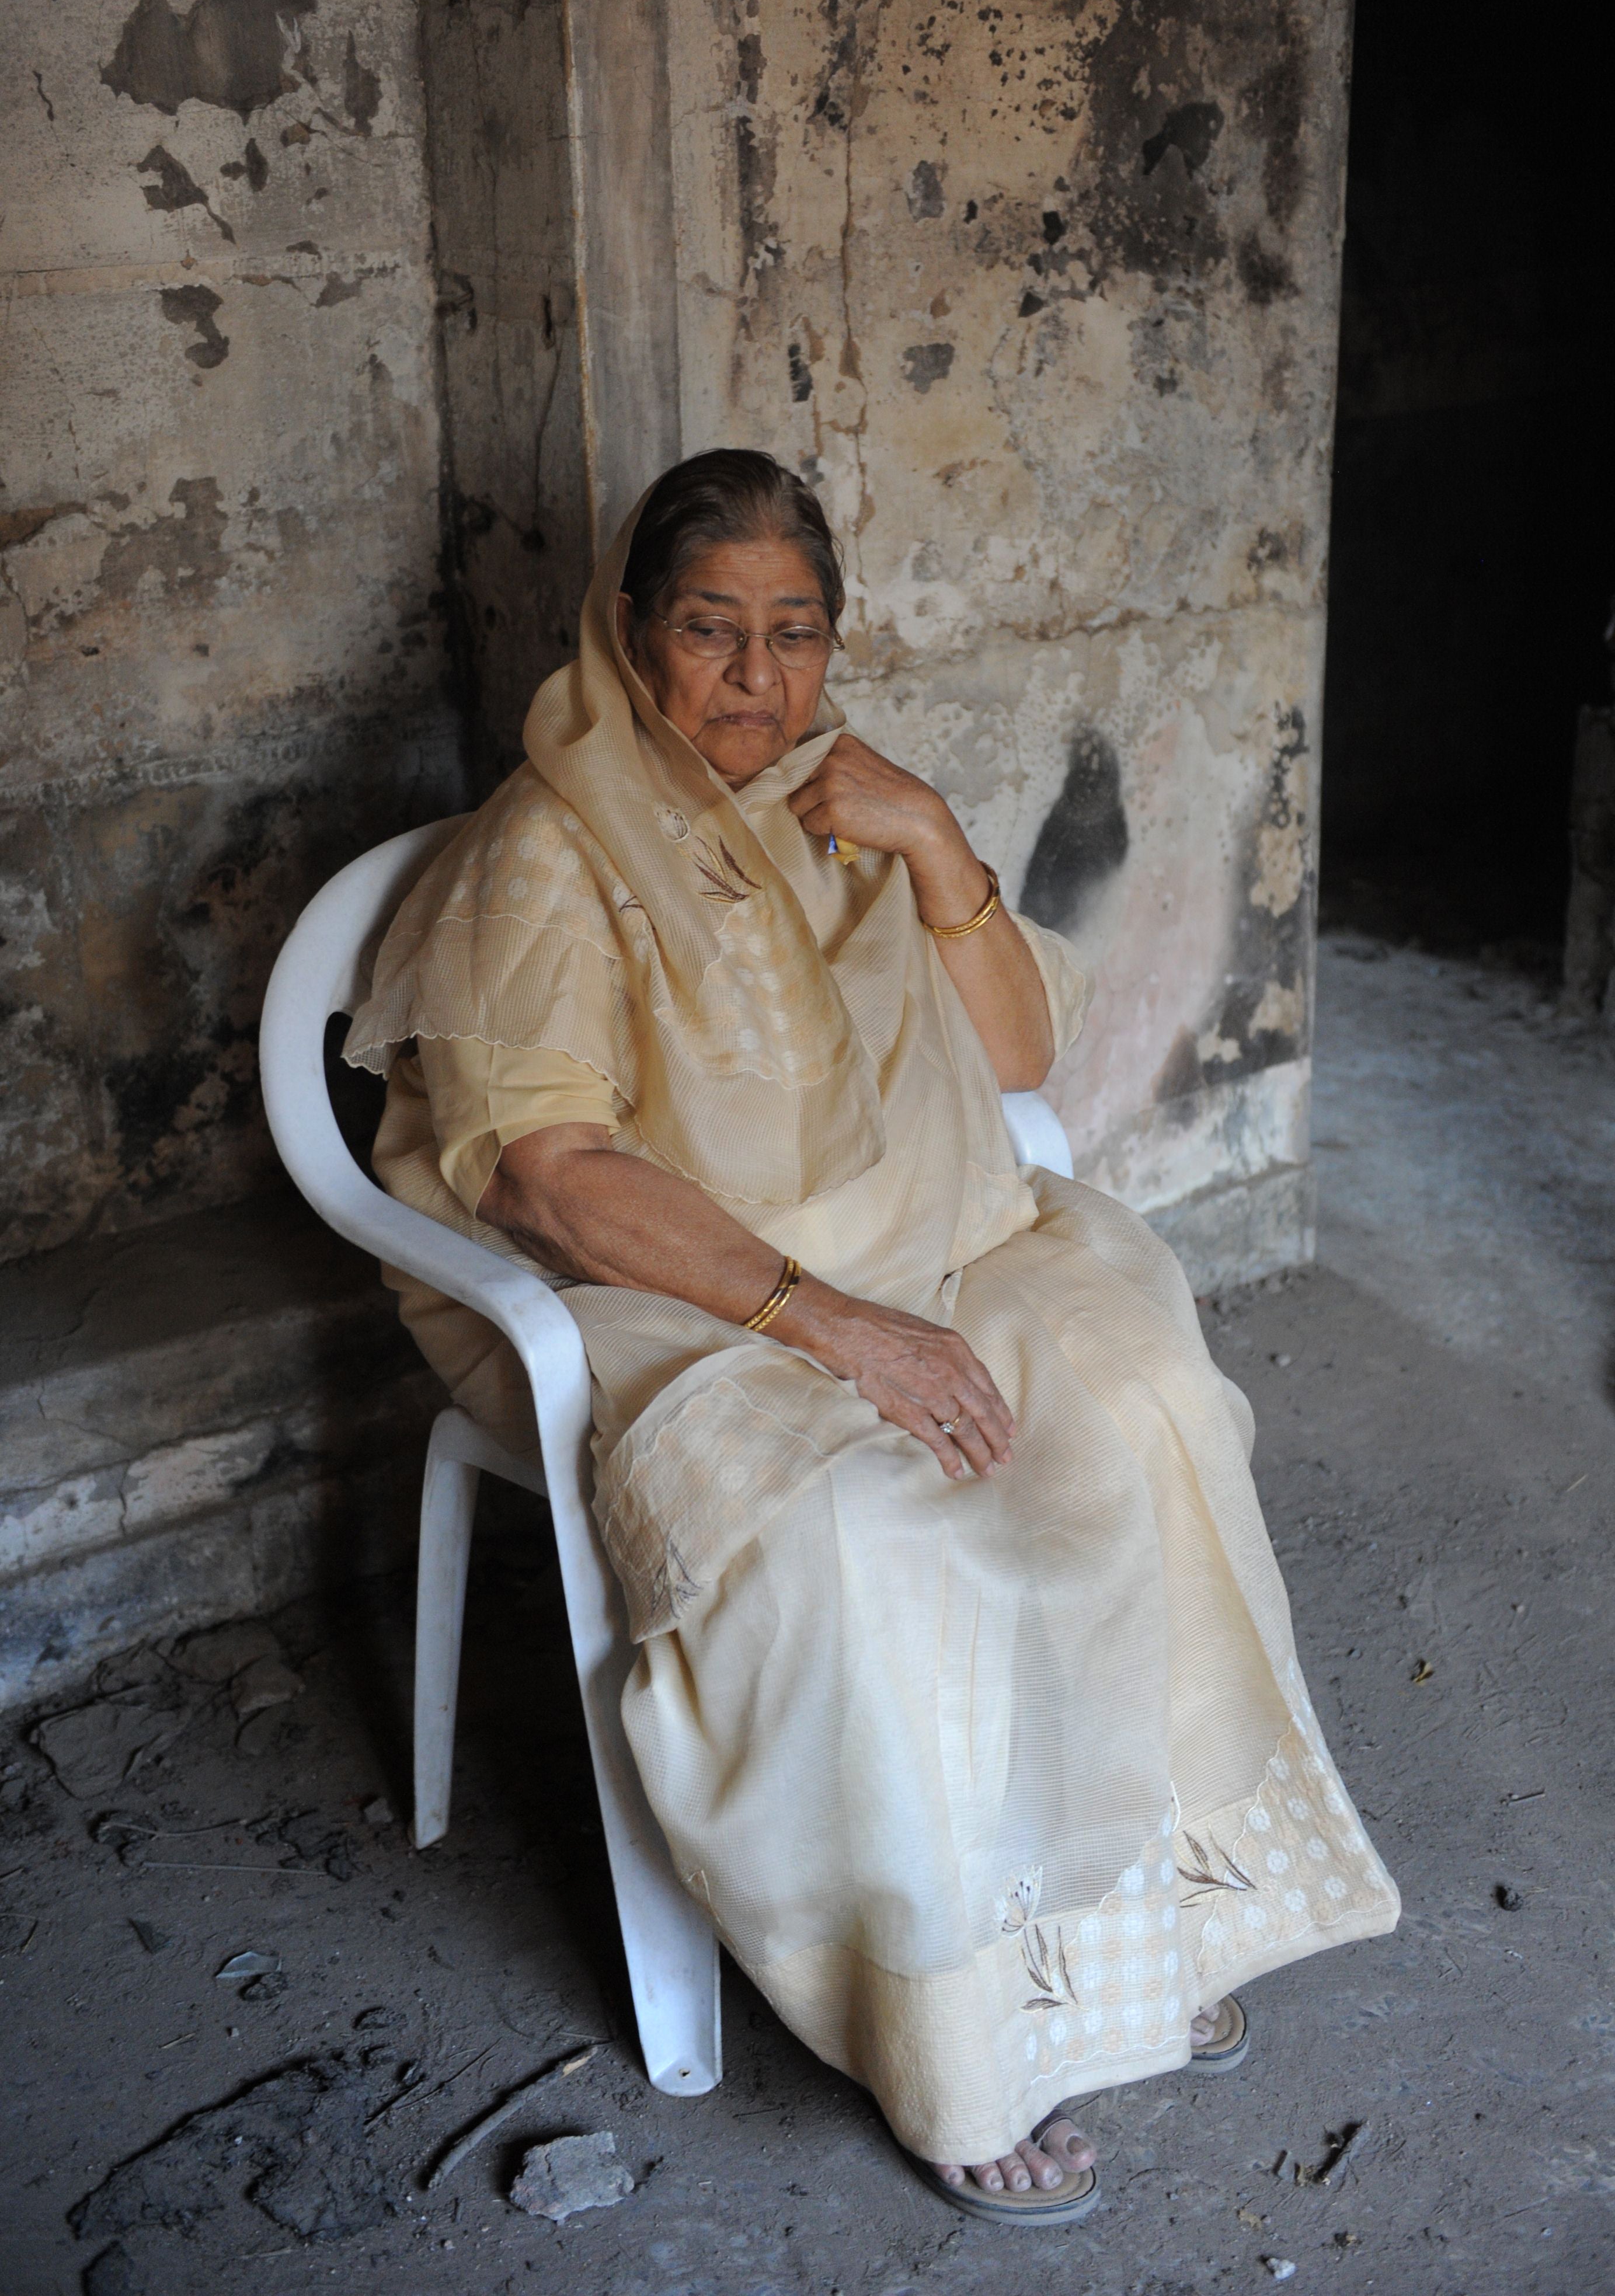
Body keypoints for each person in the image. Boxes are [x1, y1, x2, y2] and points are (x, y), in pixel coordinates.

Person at [344, 450, 1398, 2224]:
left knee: (1148, 1412)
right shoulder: (547, 853)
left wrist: (934, 848)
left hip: (930, 1243)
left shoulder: (850, 796)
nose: (758, 680)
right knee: (874, 1535)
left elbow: (1011, 1063)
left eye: (796, 634)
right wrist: (837, 1330)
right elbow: (548, 1176)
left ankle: (1128, 1927)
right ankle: (959, 2047)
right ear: (628, 634)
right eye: (711, 632)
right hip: (674, 1304)